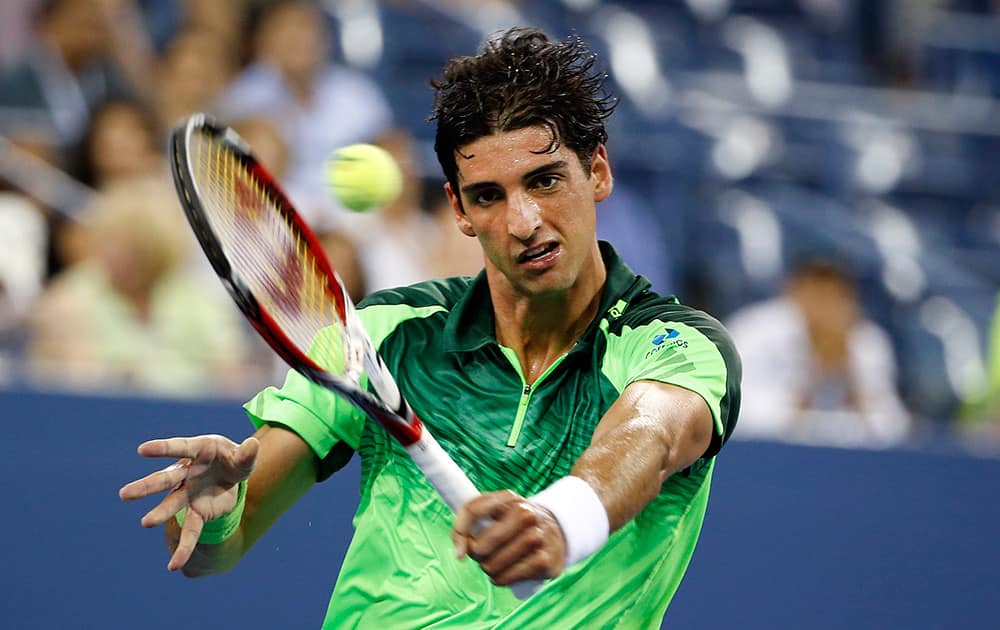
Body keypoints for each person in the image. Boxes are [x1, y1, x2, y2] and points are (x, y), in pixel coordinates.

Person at [119, 28, 741, 628]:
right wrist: (217, 513)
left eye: (545, 180)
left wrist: (560, 519)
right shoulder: (385, 333)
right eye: (489, 196)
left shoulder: (677, 346)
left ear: (598, 172)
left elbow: (649, 436)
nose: (524, 220)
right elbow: (212, 552)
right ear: (459, 210)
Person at [726, 257, 911, 448]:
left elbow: (894, 428)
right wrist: (813, 375)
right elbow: (737, 416)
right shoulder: (755, 329)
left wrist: (850, 376)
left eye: (835, 293)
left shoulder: (865, 339)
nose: (825, 302)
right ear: (793, 290)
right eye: (817, 290)